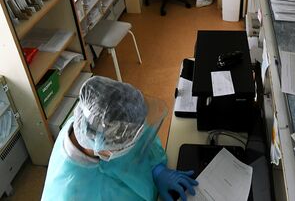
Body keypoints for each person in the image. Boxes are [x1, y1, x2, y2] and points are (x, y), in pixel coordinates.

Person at [42, 76, 197, 201]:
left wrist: (156, 169)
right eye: (131, 139)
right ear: (105, 150)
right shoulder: (68, 193)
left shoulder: (93, 122)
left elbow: (140, 143)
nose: (138, 138)